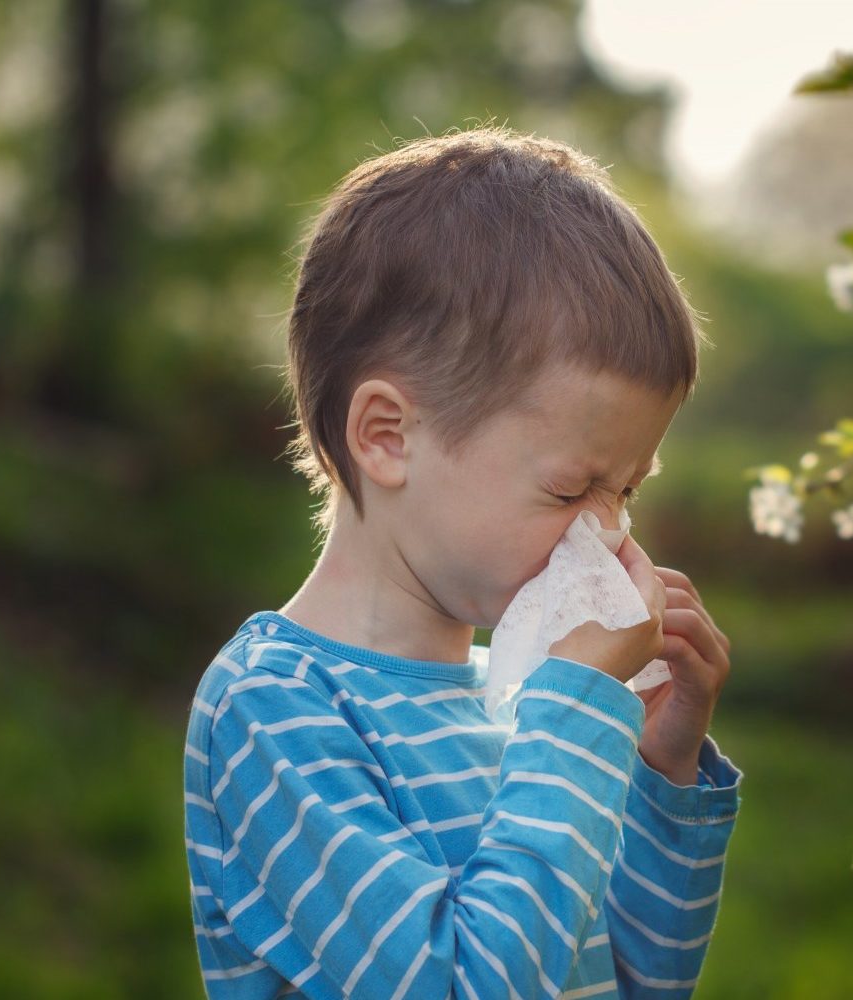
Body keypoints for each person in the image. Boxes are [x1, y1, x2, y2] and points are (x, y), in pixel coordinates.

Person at [181, 125, 741, 999]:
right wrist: (577, 714)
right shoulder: (275, 711)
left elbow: (635, 984)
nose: (605, 537)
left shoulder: (521, 700)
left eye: (626, 491)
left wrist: (659, 772)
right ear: (387, 437)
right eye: (569, 492)